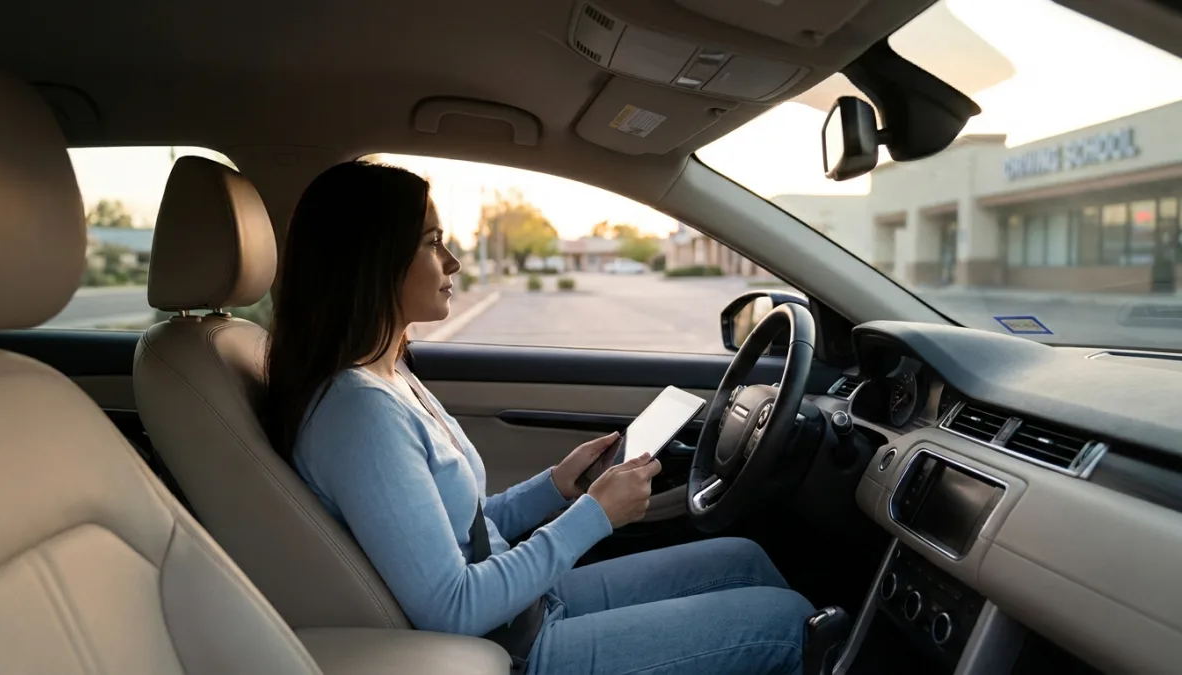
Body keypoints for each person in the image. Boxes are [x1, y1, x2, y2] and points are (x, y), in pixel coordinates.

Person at [263, 161, 815, 675]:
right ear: (373, 261)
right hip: (515, 648)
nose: (453, 261)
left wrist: (555, 486)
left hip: (524, 606)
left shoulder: (389, 375)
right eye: (432, 243)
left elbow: (467, 529)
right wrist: (595, 515)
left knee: (744, 559)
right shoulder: (358, 415)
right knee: (788, 625)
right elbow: (453, 607)